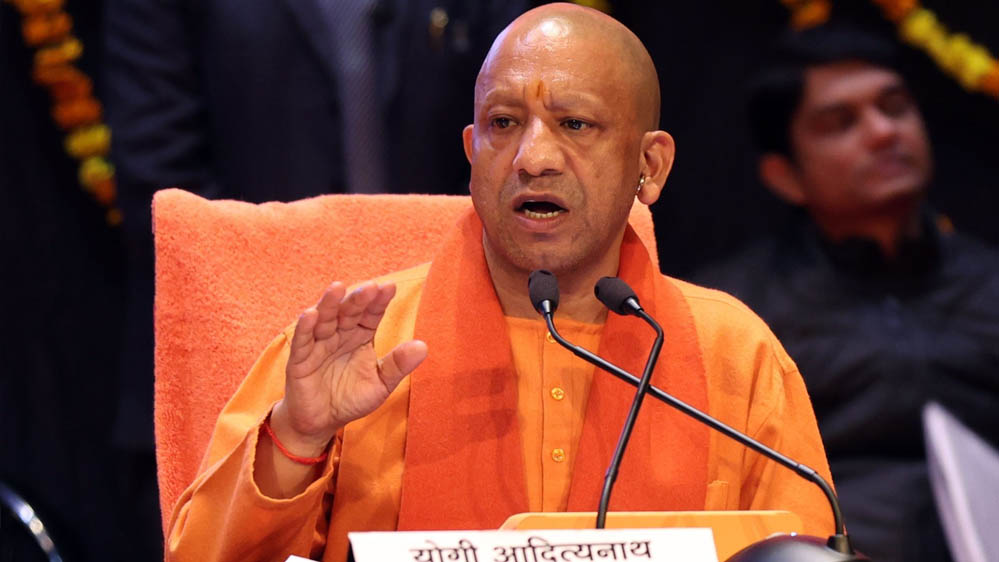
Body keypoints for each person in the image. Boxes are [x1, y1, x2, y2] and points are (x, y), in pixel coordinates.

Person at [165, 5, 835, 561]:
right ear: (471, 153)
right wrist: (297, 438)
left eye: (574, 124)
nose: (532, 158)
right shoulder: (361, 349)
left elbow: (806, 547)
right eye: (504, 124)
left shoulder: (732, 356)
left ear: (650, 165)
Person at [693, 25, 999, 562]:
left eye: (895, 107)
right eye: (841, 123)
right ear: (785, 176)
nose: (883, 132)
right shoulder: (735, 315)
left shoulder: (989, 280)